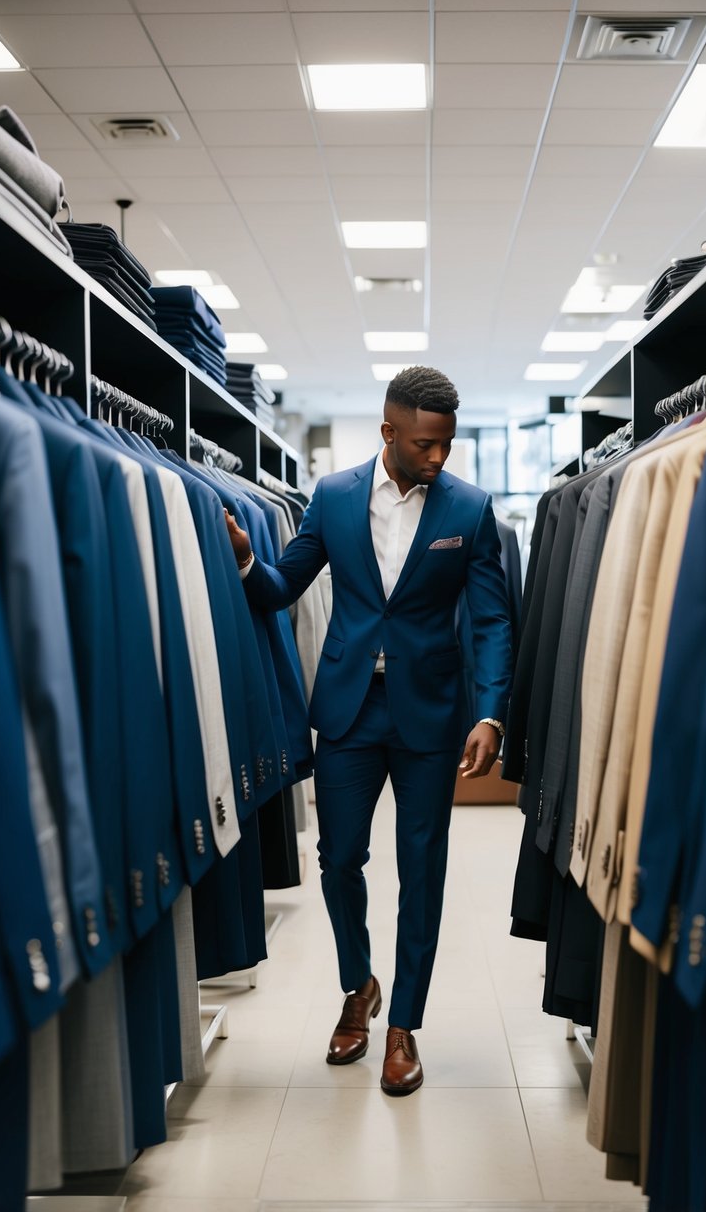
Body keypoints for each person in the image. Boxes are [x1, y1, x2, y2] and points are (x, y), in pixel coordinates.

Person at [225, 366, 512, 1095]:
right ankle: (359, 985)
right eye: (424, 444)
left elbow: (491, 619)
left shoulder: (470, 510)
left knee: (423, 871)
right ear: (388, 432)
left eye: (446, 444)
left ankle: (402, 1026)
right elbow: (284, 587)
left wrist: (489, 711)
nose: (437, 457)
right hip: (350, 706)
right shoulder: (332, 495)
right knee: (337, 858)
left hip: (430, 711)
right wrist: (246, 562)